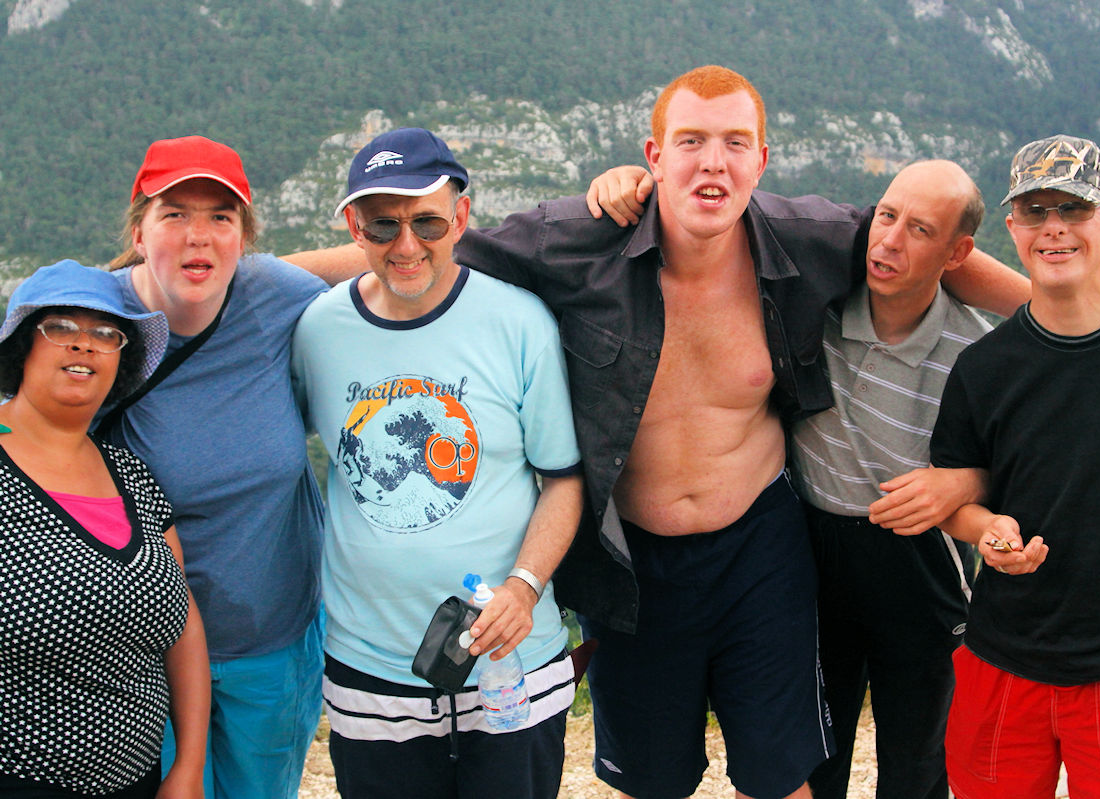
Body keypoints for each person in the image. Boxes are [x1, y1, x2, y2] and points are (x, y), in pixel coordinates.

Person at [286, 65, 1028, 799]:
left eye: (736, 142)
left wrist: (1061, 306)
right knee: (653, 778)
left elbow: (936, 246)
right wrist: (250, 279)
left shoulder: (810, 239)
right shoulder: (578, 241)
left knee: (782, 774)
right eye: (691, 141)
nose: (713, 160)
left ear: (762, 161)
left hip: (760, 549)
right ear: (654, 156)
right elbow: (420, 244)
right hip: (633, 562)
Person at [290, 128, 584, 799]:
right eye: (383, 224)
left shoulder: (519, 323)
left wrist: (525, 585)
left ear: (461, 217)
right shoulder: (318, 330)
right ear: (353, 226)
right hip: (371, 669)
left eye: (426, 220)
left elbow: (562, 478)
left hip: (510, 664)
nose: (406, 244)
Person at [930, 135, 1100, 798]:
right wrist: (986, 530)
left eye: (1074, 209)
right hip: (1003, 652)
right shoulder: (984, 369)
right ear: (1014, 228)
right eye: (1035, 209)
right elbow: (959, 495)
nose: (1054, 227)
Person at [103, 136, 328, 799]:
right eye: (175, 214)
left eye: (220, 218)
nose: (198, 236)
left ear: (244, 239)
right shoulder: (93, 321)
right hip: (144, 652)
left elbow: (389, 262)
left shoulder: (277, 293)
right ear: (140, 230)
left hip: (274, 641)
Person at [789, 161, 1001, 799]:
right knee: (816, 757)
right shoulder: (814, 305)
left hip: (920, 559)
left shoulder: (978, 354)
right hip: (812, 551)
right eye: (885, 216)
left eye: (919, 230)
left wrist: (963, 485)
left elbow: (1014, 465)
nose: (889, 241)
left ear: (957, 253)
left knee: (917, 763)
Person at [0, 260, 209, 798]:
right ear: (24, 346)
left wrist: (187, 765)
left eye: (105, 334)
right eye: (61, 327)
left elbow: (184, 627)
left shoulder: (132, 476)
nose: (84, 344)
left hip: (137, 781)